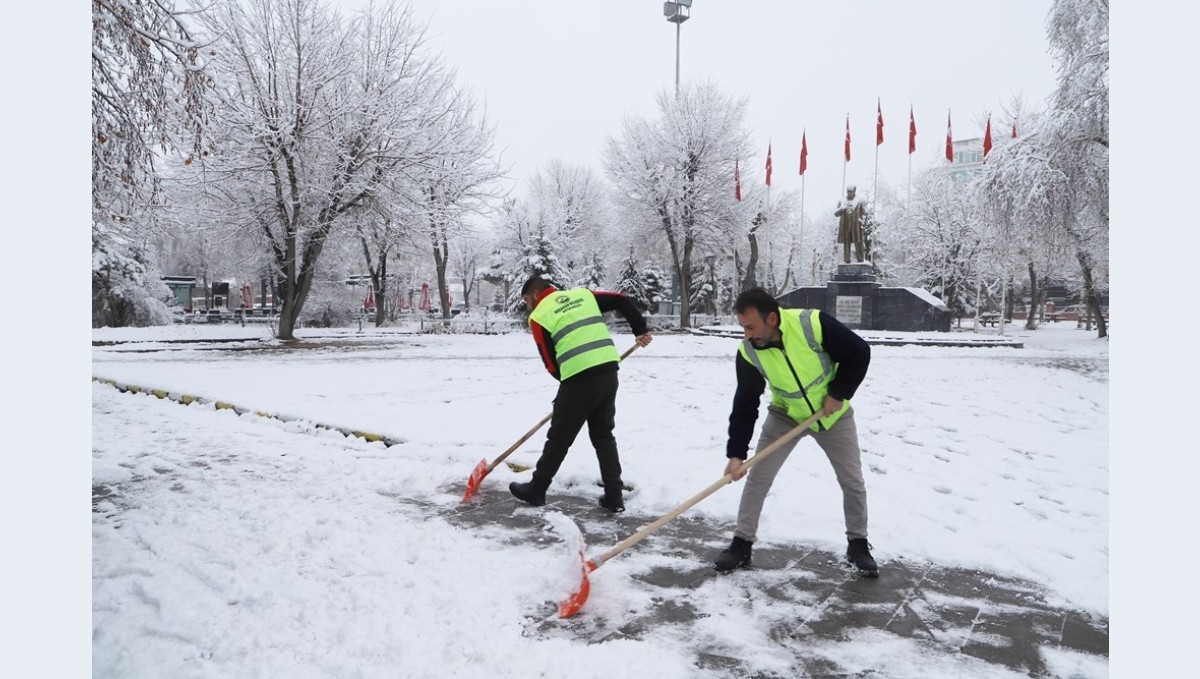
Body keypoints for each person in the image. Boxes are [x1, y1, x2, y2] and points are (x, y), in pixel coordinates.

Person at [713, 288, 878, 575]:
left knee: (852, 480)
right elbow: (745, 403)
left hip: (832, 415)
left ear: (772, 319)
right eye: (743, 327)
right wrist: (737, 454)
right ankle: (741, 544)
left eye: (751, 327)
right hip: (786, 414)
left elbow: (859, 352)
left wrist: (838, 392)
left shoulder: (812, 325)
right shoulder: (749, 352)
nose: (747, 335)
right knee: (758, 478)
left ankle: (858, 544)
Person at [509, 275, 653, 512]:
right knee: (603, 435)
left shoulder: (539, 315)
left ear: (536, 294)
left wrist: (567, 390)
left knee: (559, 438)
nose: (528, 306)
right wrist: (640, 330)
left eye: (526, 300)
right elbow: (622, 300)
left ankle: (537, 489)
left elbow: (550, 362)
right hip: (608, 371)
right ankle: (613, 496)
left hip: (579, 379)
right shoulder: (582, 295)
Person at [834, 185, 871, 264]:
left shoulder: (860, 200)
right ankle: (846, 259)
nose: (849, 193)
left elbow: (866, 212)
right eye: (848, 191)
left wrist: (863, 220)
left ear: (854, 191)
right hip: (845, 225)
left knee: (859, 242)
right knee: (846, 242)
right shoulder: (842, 200)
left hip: (856, 225)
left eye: (850, 191)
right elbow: (836, 213)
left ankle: (860, 260)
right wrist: (841, 209)